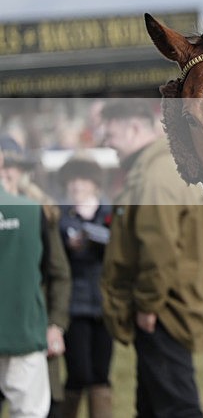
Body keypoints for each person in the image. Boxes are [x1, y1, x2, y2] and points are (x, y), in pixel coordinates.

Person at [98, 99, 203, 418]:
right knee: (152, 405)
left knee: (177, 407)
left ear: (135, 128)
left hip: (164, 313)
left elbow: (159, 250)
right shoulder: (158, 167)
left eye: (111, 134)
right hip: (166, 308)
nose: (106, 141)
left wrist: (147, 305)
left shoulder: (155, 176)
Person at [0, 135, 71, 418]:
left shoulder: (41, 212)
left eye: (12, 167)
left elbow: (58, 274)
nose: (7, 173)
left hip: (29, 326)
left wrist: (56, 323)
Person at [57, 156, 113, 418]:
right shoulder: (60, 216)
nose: (77, 185)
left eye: (83, 179)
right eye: (73, 180)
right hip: (74, 304)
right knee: (78, 372)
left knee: (100, 374)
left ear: (94, 184)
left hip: (104, 303)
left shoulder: (110, 212)